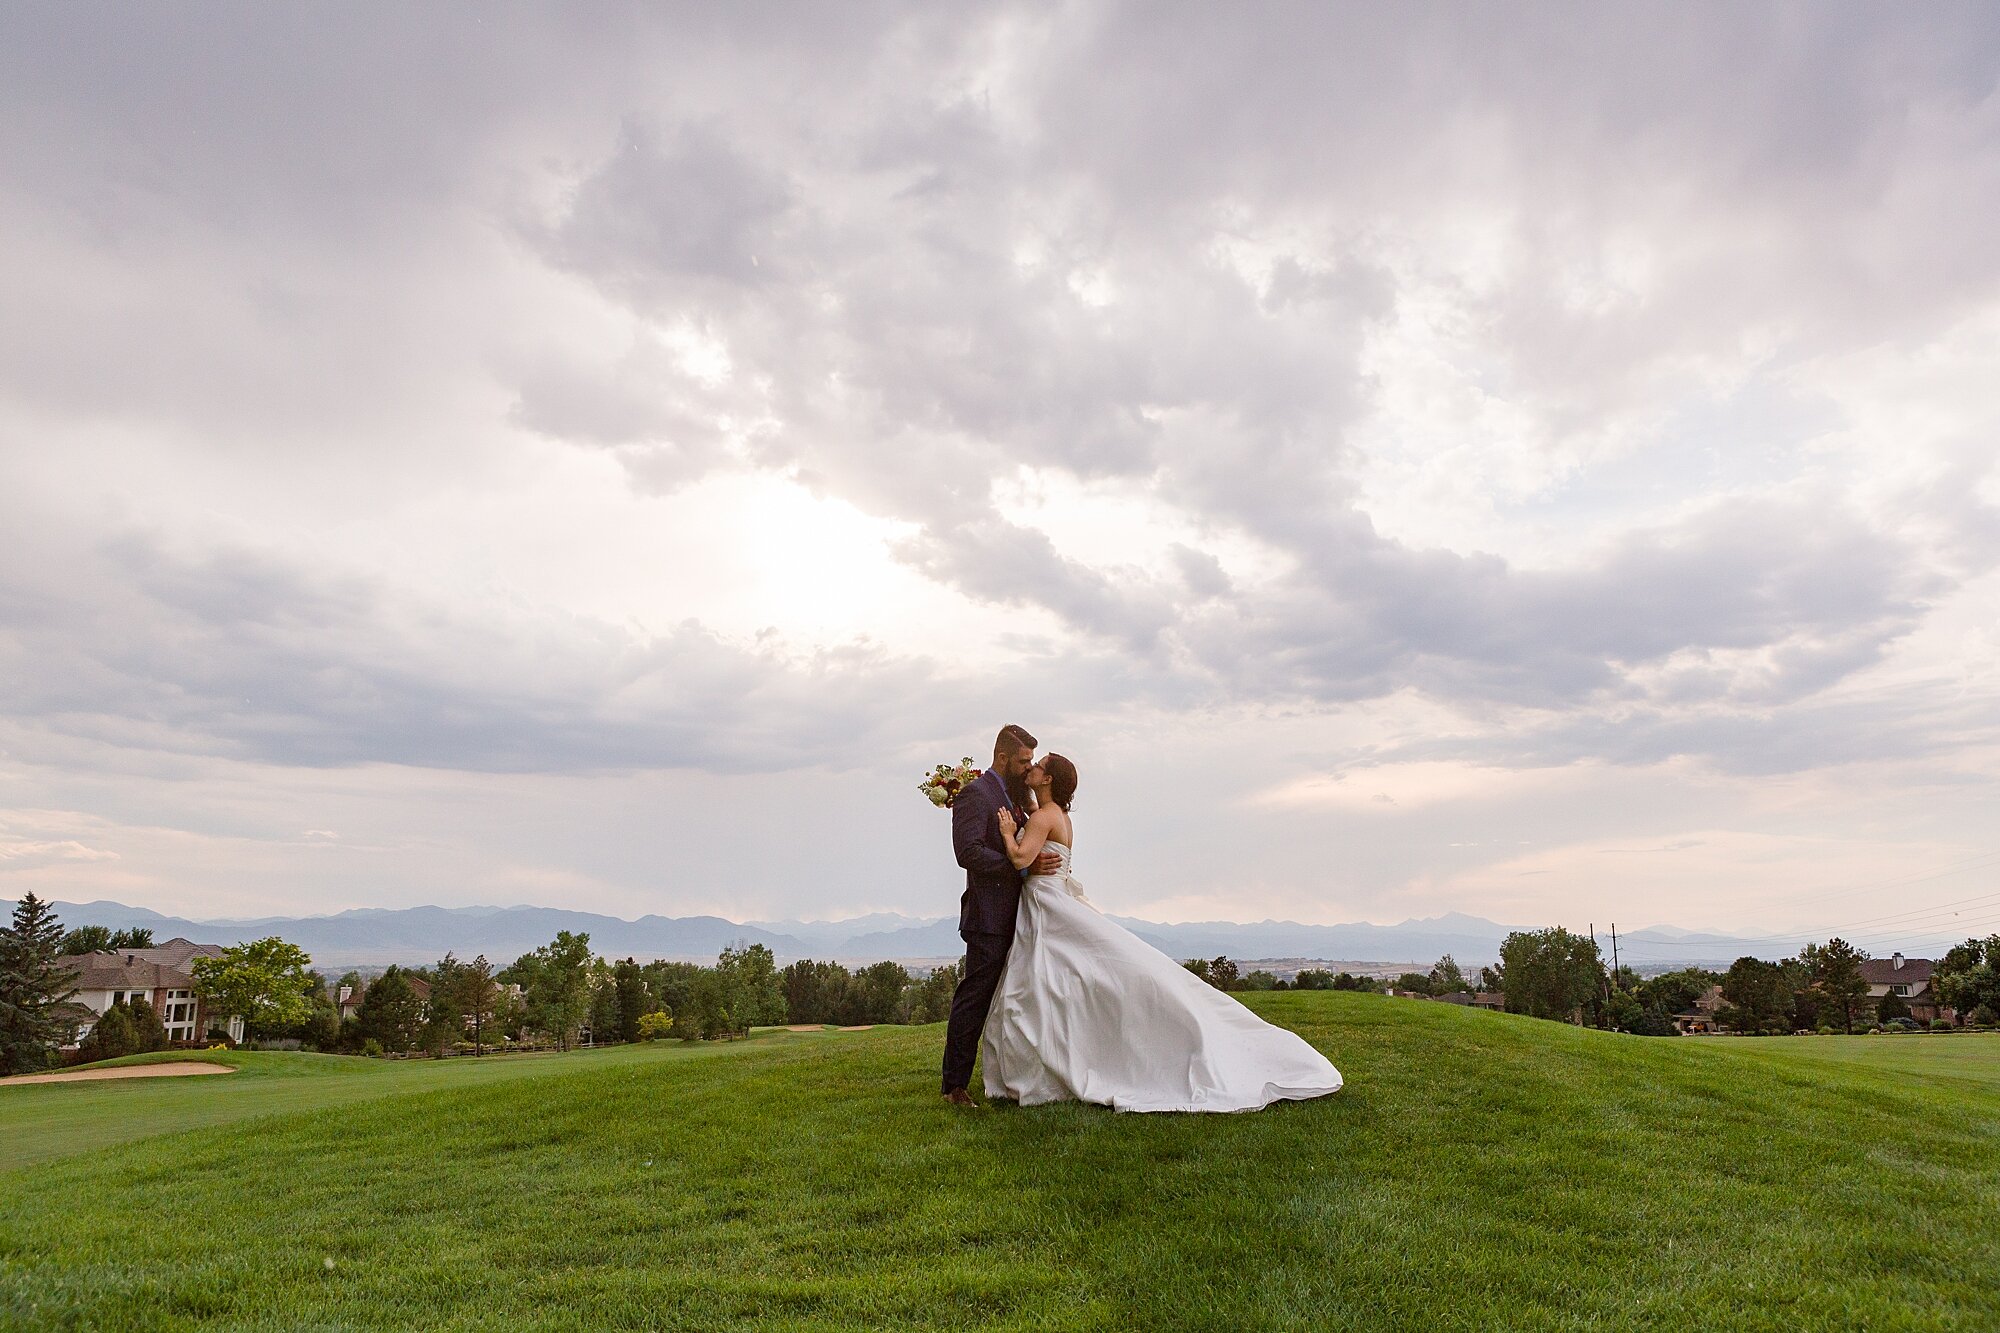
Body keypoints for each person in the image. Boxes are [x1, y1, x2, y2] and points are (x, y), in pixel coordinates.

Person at [981, 753, 1343, 1112]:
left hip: (1047, 903)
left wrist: (1008, 833)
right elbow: (1027, 808)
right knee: (1054, 981)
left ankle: (1050, 1063)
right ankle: (1053, 1059)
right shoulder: (1053, 813)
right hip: (1049, 899)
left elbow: (1019, 859)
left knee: (1050, 981)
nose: (1032, 768)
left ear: (1048, 779)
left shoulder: (1044, 816)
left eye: (1039, 764)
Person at [941, 724, 1061, 1106]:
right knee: (974, 998)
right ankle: (954, 1086)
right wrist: (1022, 868)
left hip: (1019, 917)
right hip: (988, 918)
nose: (1028, 768)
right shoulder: (976, 794)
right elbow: (969, 853)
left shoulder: (1012, 796)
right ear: (1003, 758)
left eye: (1032, 762)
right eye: (1023, 761)